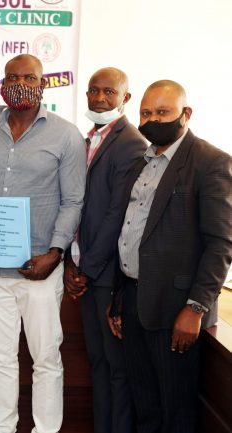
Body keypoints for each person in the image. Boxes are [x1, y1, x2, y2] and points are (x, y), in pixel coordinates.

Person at [0, 54, 86, 433]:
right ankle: (2, 428)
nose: (20, 84)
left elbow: (74, 201)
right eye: (12, 78)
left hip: (41, 269)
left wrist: (55, 253)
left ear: (43, 84)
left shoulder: (66, 135)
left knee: (46, 359)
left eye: (29, 78)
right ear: (2, 84)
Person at [111, 80, 232, 433]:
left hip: (176, 309)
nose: (152, 120)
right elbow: (130, 230)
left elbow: (221, 244)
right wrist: (119, 298)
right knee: (145, 406)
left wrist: (195, 308)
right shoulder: (142, 162)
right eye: (146, 113)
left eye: (162, 112)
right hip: (133, 300)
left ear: (186, 114)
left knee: (176, 413)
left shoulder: (210, 162)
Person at [63, 67, 147, 433]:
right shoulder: (89, 139)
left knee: (116, 369)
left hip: (108, 275)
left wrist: (86, 269)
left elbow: (117, 215)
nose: (99, 98)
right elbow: (77, 205)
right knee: (98, 363)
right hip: (87, 271)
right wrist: (70, 262)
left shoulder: (131, 144)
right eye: (93, 91)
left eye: (109, 92)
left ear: (125, 98)